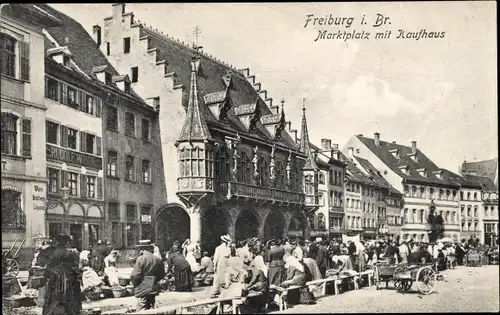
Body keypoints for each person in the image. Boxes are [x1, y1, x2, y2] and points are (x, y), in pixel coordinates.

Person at [43, 233, 82, 315]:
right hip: (67, 277)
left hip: (55, 276)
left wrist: (46, 275)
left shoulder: (53, 252)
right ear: (66, 242)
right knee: (68, 294)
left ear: (58, 241)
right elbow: (74, 265)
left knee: (54, 295)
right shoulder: (69, 252)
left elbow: (49, 265)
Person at [130, 241, 166, 311]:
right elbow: (162, 274)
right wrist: (154, 280)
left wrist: (136, 285)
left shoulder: (141, 259)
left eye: (140, 249)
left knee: (142, 307)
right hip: (153, 286)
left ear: (143, 249)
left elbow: (134, 275)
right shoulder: (158, 259)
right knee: (151, 307)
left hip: (143, 286)